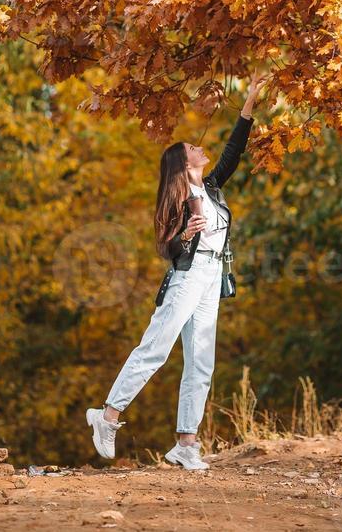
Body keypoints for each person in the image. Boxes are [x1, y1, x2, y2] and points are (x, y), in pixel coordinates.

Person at [86, 71, 268, 470]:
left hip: (210, 280)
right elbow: (166, 248)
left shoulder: (213, 188)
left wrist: (250, 100)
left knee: (202, 362)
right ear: (183, 163)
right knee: (156, 349)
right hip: (186, 278)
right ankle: (108, 416)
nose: (201, 148)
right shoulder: (178, 199)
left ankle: (186, 444)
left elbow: (234, 150)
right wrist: (186, 231)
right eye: (193, 148)